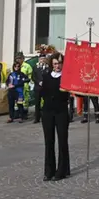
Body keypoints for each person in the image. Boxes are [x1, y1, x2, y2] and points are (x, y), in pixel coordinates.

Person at [39, 53, 70, 181]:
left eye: (60, 63)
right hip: (47, 112)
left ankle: (62, 170)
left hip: (61, 112)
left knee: (62, 141)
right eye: (55, 64)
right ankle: (49, 171)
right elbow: (42, 93)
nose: (58, 66)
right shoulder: (46, 77)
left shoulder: (66, 78)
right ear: (52, 64)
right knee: (49, 141)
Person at [32, 54, 50, 124]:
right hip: (38, 88)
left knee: (46, 103)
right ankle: (37, 118)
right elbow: (33, 77)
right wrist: (38, 82)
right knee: (37, 103)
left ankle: (46, 117)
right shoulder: (35, 67)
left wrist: (45, 82)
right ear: (39, 60)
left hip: (45, 88)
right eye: (41, 59)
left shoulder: (48, 67)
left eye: (44, 59)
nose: (42, 60)